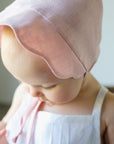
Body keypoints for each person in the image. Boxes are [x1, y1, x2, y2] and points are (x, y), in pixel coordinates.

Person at [0, 0, 114, 143]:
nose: (32, 92)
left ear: (84, 65)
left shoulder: (107, 111)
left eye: (48, 86)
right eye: (22, 81)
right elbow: (6, 129)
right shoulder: (24, 94)